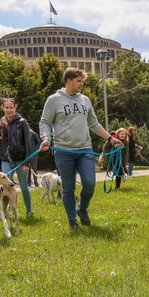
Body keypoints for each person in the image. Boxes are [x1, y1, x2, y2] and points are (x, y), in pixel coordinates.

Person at [39, 67, 123, 230]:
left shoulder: (85, 100)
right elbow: (45, 122)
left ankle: (82, 209)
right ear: (68, 81)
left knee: (90, 183)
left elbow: (93, 123)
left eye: (82, 81)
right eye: (79, 81)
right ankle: (72, 221)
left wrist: (110, 139)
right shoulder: (53, 100)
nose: (81, 84)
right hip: (64, 151)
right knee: (68, 187)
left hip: (85, 149)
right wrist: (46, 139)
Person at [0, 97, 35, 216]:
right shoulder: (2, 123)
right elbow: (0, 144)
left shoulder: (22, 122)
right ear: (3, 108)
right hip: (6, 160)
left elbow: (28, 143)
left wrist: (26, 163)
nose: (9, 110)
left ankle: (29, 211)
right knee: (6, 186)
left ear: (15, 108)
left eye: (11, 107)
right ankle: (6, 212)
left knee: (24, 187)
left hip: (20, 160)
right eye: (7, 107)